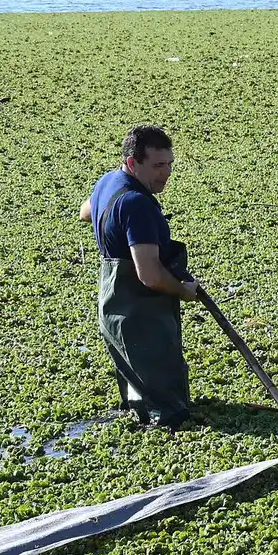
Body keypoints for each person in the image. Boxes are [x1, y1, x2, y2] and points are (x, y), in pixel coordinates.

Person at [78, 125, 200, 428]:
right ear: (133, 163)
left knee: (135, 384)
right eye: (158, 166)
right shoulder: (137, 204)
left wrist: (115, 228)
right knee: (169, 411)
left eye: (170, 164)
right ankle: (167, 429)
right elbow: (149, 275)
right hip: (141, 312)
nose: (167, 173)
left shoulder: (108, 181)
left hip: (113, 306)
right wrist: (184, 291)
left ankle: (141, 416)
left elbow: (87, 211)